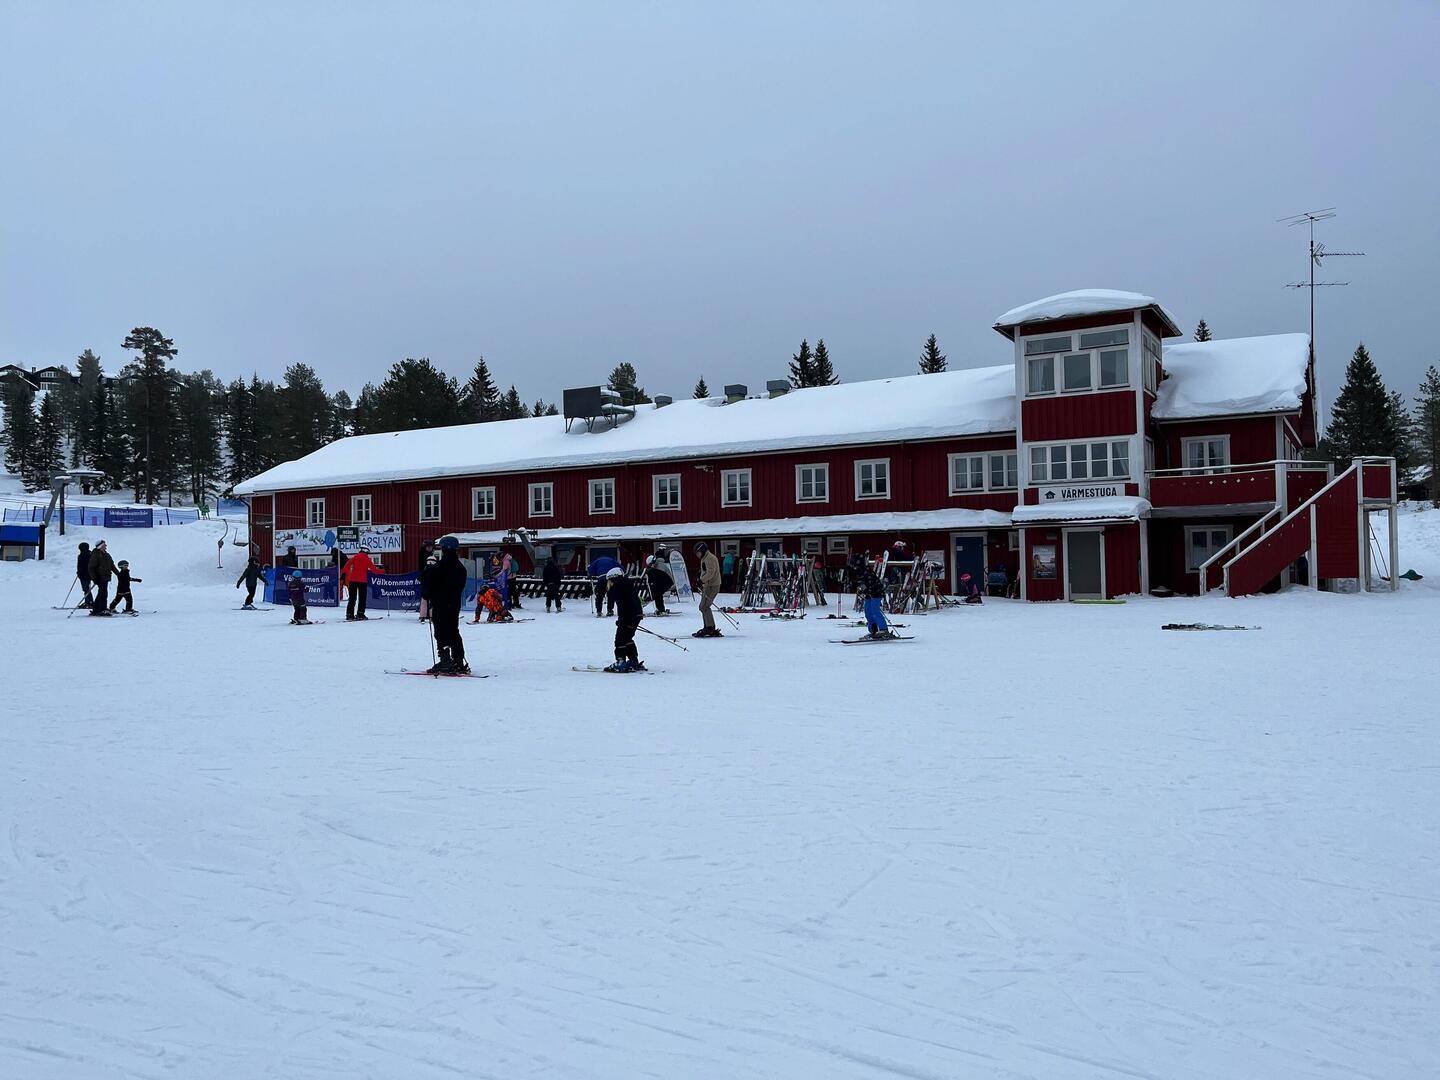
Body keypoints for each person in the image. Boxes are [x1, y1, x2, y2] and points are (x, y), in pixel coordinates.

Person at [425, 536, 469, 674]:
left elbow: (428, 586)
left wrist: (427, 594)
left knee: (440, 632)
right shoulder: (461, 568)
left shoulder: (439, 567)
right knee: (453, 631)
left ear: (444, 549)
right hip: (454, 604)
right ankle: (458, 660)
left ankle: (445, 661)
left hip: (440, 604)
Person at [604, 565, 646, 672]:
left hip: (628, 616)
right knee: (627, 638)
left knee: (620, 640)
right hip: (635, 615)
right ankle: (633, 660)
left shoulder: (618, 587)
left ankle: (620, 661)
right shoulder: (626, 584)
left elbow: (623, 605)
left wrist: (622, 619)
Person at [852, 554, 893, 639]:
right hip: (868, 594)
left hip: (876, 593)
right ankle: (874, 630)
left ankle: (883, 629)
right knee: (868, 612)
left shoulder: (866, 571)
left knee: (875, 610)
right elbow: (861, 583)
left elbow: (872, 583)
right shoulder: (858, 572)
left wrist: (868, 589)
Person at [342, 545, 382, 620]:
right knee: (362, 598)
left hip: (353, 580)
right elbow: (374, 570)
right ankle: (360, 614)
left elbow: (346, 566)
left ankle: (349, 614)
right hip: (363, 581)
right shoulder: (367, 559)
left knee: (352, 598)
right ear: (366, 551)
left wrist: (342, 574)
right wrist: (383, 571)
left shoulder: (355, 557)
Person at [693, 541, 722, 638]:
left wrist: (701, 580)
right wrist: (699, 578)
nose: (697, 555)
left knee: (705, 606)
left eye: (697, 553)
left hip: (712, 585)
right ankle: (707, 626)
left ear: (702, 550)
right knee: (703, 606)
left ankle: (710, 628)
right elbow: (705, 571)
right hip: (708, 585)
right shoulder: (705, 558)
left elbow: (711, 573)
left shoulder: (710, 558)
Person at [88, 540, 116, 616]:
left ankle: (96, 609)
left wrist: (118, 574)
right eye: (104, 545)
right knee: (103, 594)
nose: (106, 546)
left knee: (102, 593)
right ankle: (102, 609)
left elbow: (112, 565)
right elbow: (91, 568)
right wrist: (94, 578)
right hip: (99, 577)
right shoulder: (95, 555)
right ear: (100, 546)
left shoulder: (107, 555)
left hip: (106, 577)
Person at [645, 550, 674, 615]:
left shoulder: (659, 566)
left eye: (650, 564)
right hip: (666, 582)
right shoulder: (657, 565)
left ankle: (661, 610)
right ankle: (660, 609)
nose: (651, 566)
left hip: (668, 582)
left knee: (657, 593)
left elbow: (660, 579)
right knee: (657, 593)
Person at [416, 541, 435, 621]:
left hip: (429, 579)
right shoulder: (423, 554)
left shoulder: (431, 554)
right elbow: (421, 566)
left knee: (429, 599)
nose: (430, 548)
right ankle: (425, 615)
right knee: (426, 599)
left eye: (431, 547)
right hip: (425, 578)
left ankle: (428, 615)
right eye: (428, 547)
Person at [74, 541, 94, 608]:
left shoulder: (82, 555)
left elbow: (81, 566)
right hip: (86, 574)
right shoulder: (90, 554)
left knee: (86, 589)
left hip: (84, 575)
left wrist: (79, 572)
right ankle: (88, 602)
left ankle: (89, 602)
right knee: (87, 588)